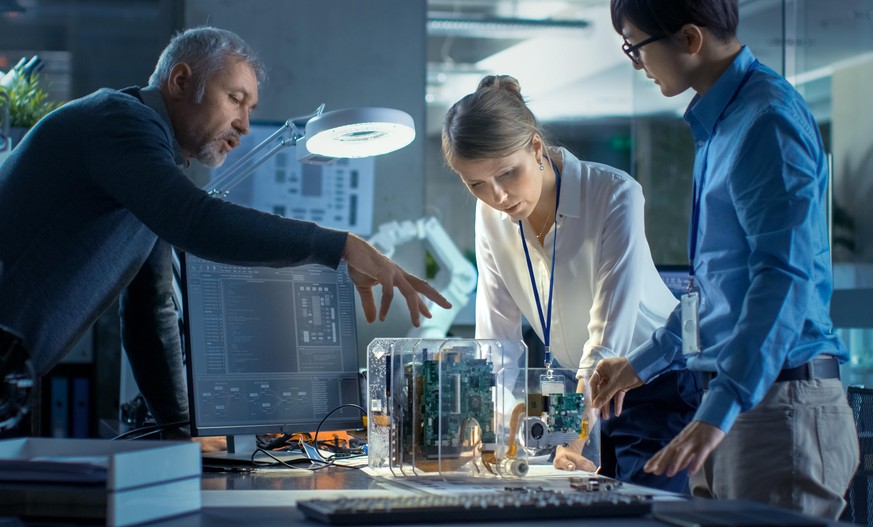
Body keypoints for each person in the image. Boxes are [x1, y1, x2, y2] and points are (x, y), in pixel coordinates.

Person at [0, 26, 450, 438]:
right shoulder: (118, 123)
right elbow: (196, 220)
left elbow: (150, 312)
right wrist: (340, 245)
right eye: (235, 99)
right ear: (180, 82)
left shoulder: (150, 167)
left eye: (251, 108)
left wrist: (181, 432)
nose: (245, 125)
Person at [588, 0, 859, 518]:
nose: (635, 63)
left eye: (635, 47)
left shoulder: (766, 121)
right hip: (738, 406)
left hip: (777, 410)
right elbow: (712, 290)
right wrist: (641, 365)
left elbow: (783, 277)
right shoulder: (724, 122)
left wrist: (721, 406)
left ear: (690, 39)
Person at [441, 74, 701, 493]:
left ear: (536, 148)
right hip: (571, 386)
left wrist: (575, 436)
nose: (498, 197)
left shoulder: (613, 194)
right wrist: (489, 432)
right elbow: (496, 342)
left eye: (508, 173)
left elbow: (605, 342)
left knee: (647, 513)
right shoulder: (489, 216)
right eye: (476, 185)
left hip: (650, 380)